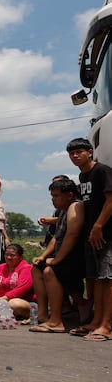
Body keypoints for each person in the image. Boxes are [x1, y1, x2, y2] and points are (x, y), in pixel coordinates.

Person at [66, 138, 112, 341]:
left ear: (90, 152)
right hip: (91, 237)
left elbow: (111, 199)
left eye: (79, 152)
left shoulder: (102, 171)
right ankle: (96, 321)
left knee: (107, 279)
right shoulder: (82, 176)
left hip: (105, 235)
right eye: (71, 153)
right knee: (95, 281)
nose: (75, 156)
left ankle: (107, 325)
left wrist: (98, 226)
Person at [30, 178, 87, 333]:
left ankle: (56, 321)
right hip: (64, 257)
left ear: (69, 195)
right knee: (36, 268)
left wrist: (57, 259)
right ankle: (42, 314)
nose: (53, 200)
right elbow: (56, 237)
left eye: (56, 196)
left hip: (76, 258)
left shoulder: (76, 207)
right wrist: (43, 256)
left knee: (50, 271)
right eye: (52, 196)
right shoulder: (63, 210)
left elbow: (72, 235)